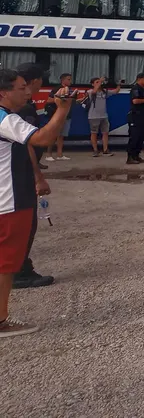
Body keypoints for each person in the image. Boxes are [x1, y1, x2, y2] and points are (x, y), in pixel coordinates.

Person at [0, 67, 73, 337]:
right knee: (6, 266)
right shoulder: (6, 119)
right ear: (3, 92)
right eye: (21, 88)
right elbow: (41, 138)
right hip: (9, 201)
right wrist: (62, 110)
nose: (28, 92)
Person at [12, 63, 53, 290]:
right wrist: (38, 177)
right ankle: (20, 271)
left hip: (18, 172)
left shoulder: (17, 109)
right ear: (34, 81)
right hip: (22, 174)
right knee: (25, 224)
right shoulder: (24, 110)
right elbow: (28, 144)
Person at [84, 77, 120, 158]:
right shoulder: (90, 92)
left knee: (105, 133)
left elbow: (115, 92)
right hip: (93, 116)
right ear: (92, 84)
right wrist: (100, 81)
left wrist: (119, 84)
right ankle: (95, 150)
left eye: (99, 82)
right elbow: (94, 91)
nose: (99, 84)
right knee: (94, 133)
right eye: (96, 82)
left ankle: (105, 150)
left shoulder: (104, 92)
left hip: (104, 116)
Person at [44, 73, 74, 162]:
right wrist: (60, 99)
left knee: (61, 136)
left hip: (67, 115)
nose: (70, 81)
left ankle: (60, 154)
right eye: (68, 79)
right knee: (53, 135)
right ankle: (48, 154)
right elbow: (49, 100)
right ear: (63, 80)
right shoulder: (57, 89)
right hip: (57, 115)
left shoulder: (70, 90)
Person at [126, 73, 144, 166]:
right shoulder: (136, 88)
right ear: (139, 79)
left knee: (141, 137)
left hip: (142, 116)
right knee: (134, 137)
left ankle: (136, 156)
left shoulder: (143, 89)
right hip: (135, 116)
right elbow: (135, 101)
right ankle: (130, 157)